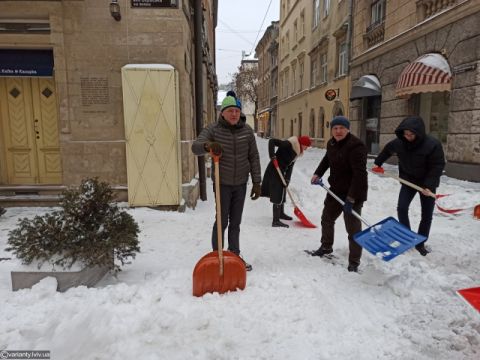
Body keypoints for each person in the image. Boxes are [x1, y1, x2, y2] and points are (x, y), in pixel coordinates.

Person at [191, 94, 262, 271]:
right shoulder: (213, 130)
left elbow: (253, 157)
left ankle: (234, 255)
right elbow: (196, 146)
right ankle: (217, 256)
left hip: (240, 184)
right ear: (223, 113)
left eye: (237, 111)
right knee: (221, 221)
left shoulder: (247, 131)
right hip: (222, 183)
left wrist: (257, 182)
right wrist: (208, 146)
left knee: (236, 222)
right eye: (230, 111)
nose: (234, 114)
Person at [372, 115, 445, 256]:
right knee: (402, 208)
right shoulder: (399, 142)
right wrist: (378, 163)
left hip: (427, 184)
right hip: (408, 180)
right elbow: (388, 150)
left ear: (419, 133)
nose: (408, 137)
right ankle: (407, 237)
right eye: (405, 134)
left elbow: (437, 165)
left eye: (411, 134)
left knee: (427, 214)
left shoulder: (432, 144)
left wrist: (429, 186)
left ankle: (421, 243)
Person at [308, 116, 368, 272]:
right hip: (336, 190)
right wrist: (318, 173)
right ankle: (326, 247)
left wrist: (351, 198)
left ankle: (354, 261)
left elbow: (360, 175)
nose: (338, 131)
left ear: (348, 129)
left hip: (353, 192)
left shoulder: (356, 146)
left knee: (353, 228)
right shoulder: (332, 143)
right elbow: (327, 159)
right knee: (327, 218)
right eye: (335, 128)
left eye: (342, 128)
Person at [261, 135, 312, 228]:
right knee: (277, 192)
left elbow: (290, 166)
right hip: (275, 169)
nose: (306, 148)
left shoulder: (297, 152)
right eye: (306, 146)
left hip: (282, 171)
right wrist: (272, 156)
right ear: (302, 144)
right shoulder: (289, 144)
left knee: (283, 189)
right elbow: (272, 141)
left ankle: (281, 213)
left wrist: (287, 179)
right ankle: (275, 221)